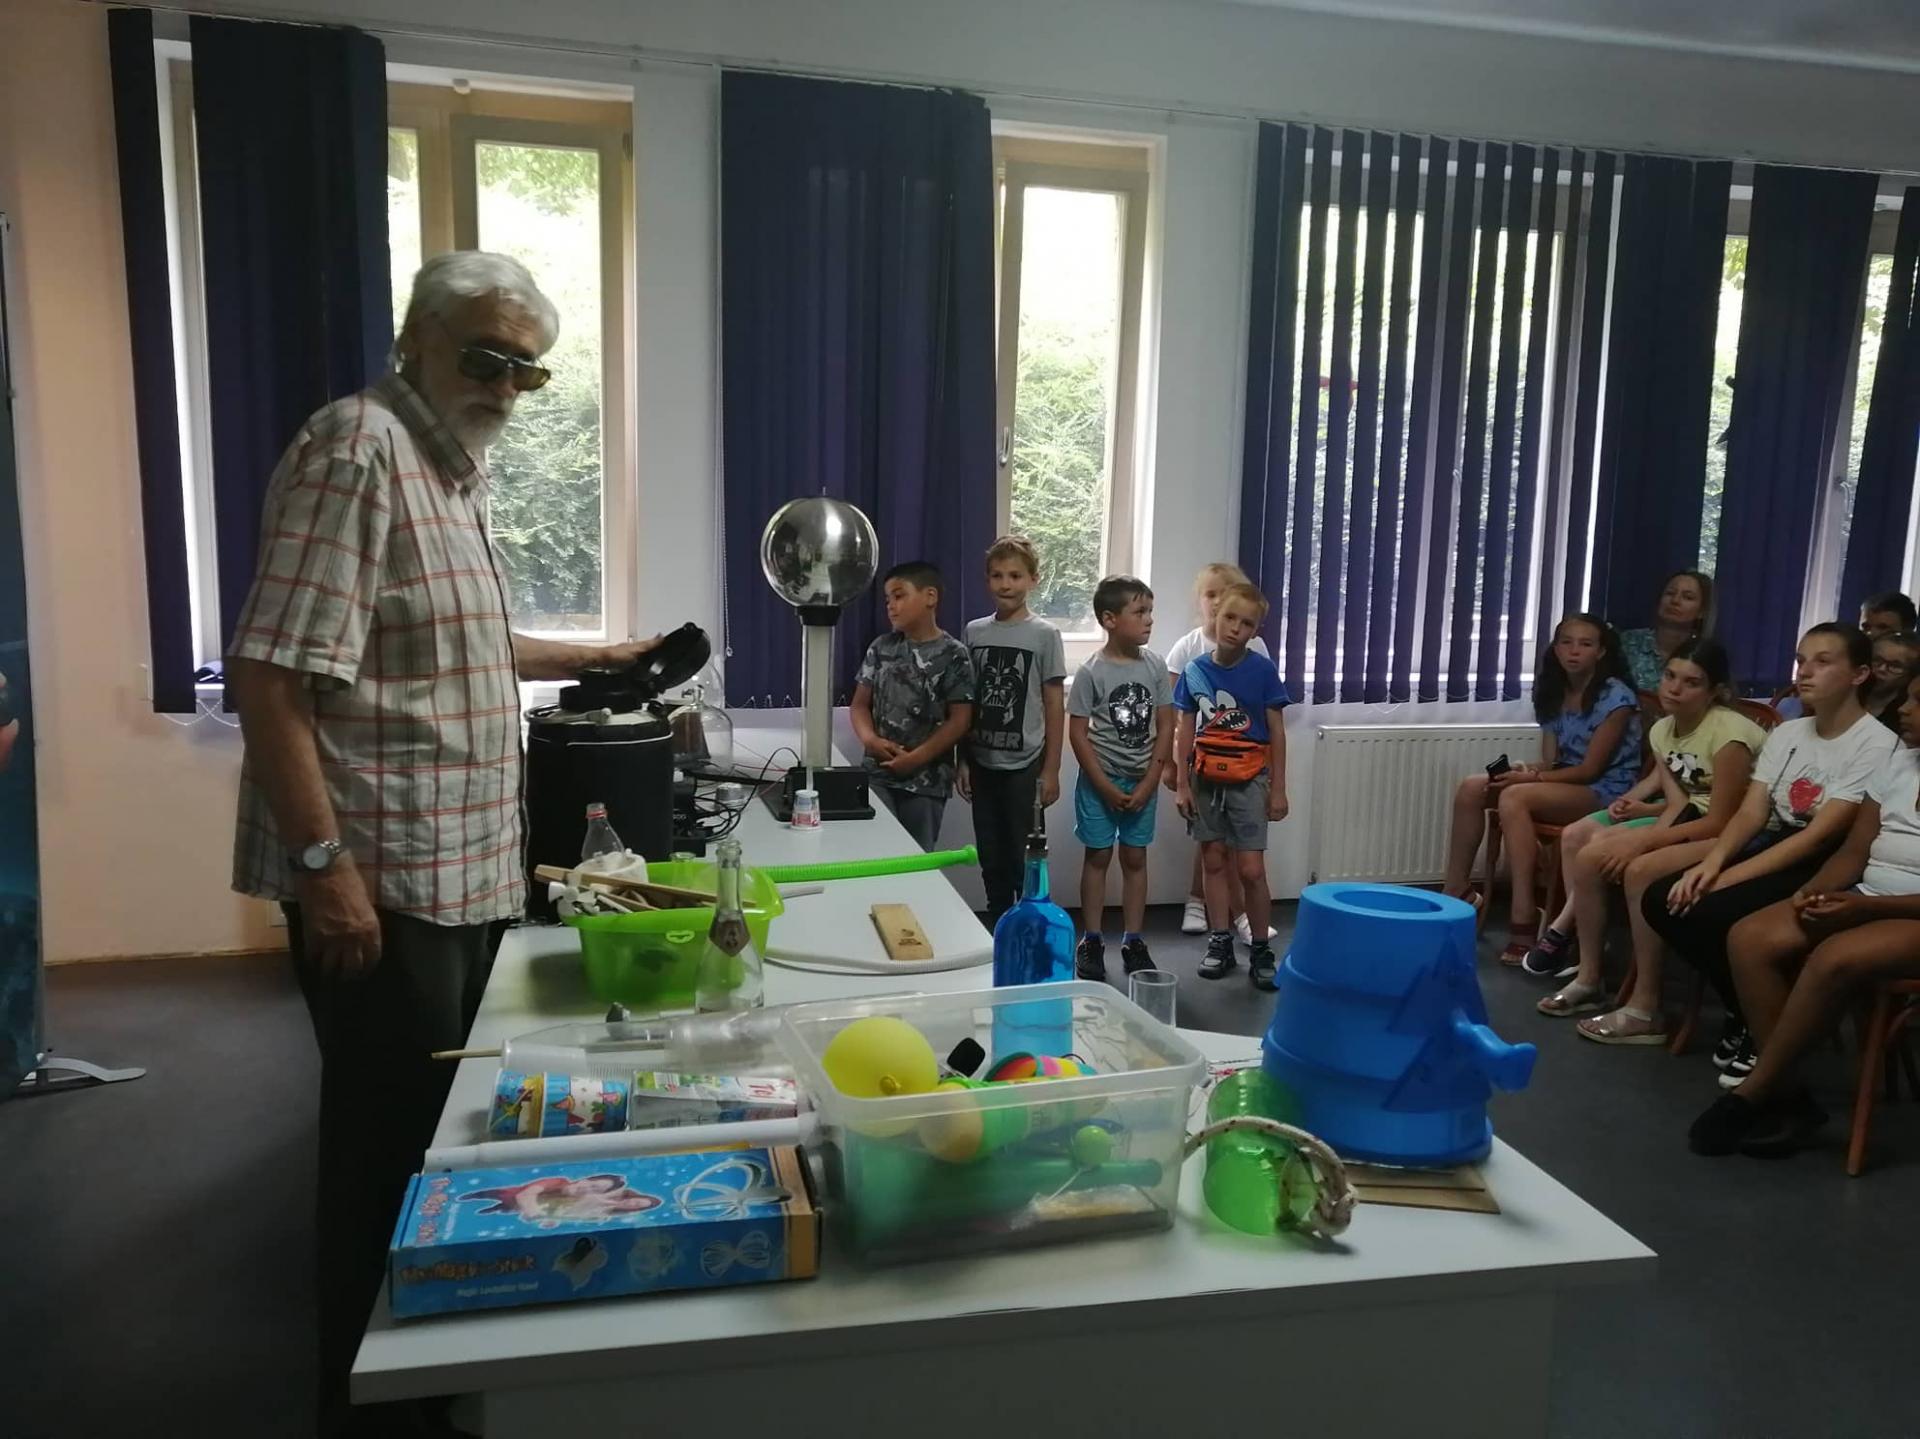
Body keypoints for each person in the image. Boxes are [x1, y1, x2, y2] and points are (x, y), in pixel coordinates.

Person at [226, 252, 663, 1438]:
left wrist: (597, 656)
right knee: (385, 1159)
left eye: (529, 370)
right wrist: (326, 872)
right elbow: (271, 676)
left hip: (460, 871)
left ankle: (437, 1384)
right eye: (486, 358)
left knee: (439, 1141)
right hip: (384, 880)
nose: (507, 387)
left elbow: (446, 637)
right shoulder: (356, 450)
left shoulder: (451, 472)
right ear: (416, 338)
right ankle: (367, 1407)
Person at [1640, 623, 1898, 1085]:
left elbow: (1819, 837)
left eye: (1823, 661)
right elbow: (1751, 813)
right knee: (1662, 898)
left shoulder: (1876, 742)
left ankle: (1764, 1031)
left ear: (1860, 674)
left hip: (1826, 860)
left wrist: (1726, 879)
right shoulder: (1790, 731)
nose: (1805, 672)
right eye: (1801, 660)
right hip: (1775, 841)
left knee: (1714, 907)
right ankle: (1744, 1010)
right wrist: (1712, 864)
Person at [1688, 670, 1920, 1156]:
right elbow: (1854, 852)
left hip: (1908, 912)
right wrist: (1813, 892)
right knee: (1749, 937)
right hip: (1868, 893)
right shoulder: (1900, 761)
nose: (1904, 708)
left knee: (1833, 957)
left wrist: (1864, 908)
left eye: (1918, 702)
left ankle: (1755, 1093)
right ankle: (1792, 1098)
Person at [1526, 640, 1764, 1029]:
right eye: (1670, 676)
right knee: (1589, 856)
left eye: (1691, 682)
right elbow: (1678, 803)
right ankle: (1589, 976)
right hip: (1691, 819)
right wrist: (1641, 833)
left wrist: (1643, 842)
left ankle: (1645, 1003)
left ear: (1714, 692)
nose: (1674, 688)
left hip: (1736, 832)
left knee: (1639, 867)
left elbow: (1721, 821)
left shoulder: (1729, 735)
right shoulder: (1663, 730)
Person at [1442, 614, 1641, 966]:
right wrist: (1525, 771)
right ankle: (1457, 892)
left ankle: (1524, 917)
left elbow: (1590, 770)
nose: (1574, 651)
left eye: (1585, 644)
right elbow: (1553, 761)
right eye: (1566, 642)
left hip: (1607, 789)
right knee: (1473, 787)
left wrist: (1530, 781)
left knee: (1515, 797)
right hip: (1565, 779)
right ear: (1555, 648)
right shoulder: (1553, 688)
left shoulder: (1616, 697)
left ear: (1600, 652)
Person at [1173, 580, 1291, 989]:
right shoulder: (1194, 670)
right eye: (1229, 618)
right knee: (1213, 860)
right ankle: (1220, 940)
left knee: (1251, 869)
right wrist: (1182, 785)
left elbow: (1277, 731)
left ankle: (1260, 946)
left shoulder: (1262, 671)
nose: (1235, 628)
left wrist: (1278, 787)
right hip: (1205, 779)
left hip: (1250, 778)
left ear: (1256, 630)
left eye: (1246, 623)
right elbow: (1184, 730)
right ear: (1215, 615)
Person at [1068, 575, 1174, 981]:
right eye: (1140, 612)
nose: (1149, 620)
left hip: (1142, 781)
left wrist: (1150, 781)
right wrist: (1103, 785)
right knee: (1098, 856)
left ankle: (1133, 939)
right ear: (1110, 619)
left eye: (1150, 611)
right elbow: (1078, 734)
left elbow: (1165, 725)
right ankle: (1092, 939)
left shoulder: (1155, 665)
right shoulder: (1091, 671)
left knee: (1134, 857)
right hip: (1100, 782)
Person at [957, 536, 1066, 928]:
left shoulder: (1045, 635)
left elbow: (1053, 703)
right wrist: (962, 760)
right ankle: (999, 923)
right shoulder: (974, 632)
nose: (1006, 584)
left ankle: (1031, 925)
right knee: (991, 853)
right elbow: (965, 700)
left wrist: (1051, 769)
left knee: (1026, 854)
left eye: (1015, 576)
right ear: (987, 579)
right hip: (982, 761)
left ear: (1033, 580)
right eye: (997, 575)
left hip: (1026, 764)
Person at [1164, 561, 1271, 941]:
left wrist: (1272, 776)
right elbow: (1175, 712)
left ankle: (1237, 915)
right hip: (1201, 761)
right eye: (1209, 594)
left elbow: (1265, 712)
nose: (1215, 602)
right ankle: (1201, 903)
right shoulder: (1188, 648)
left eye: (1222, 594)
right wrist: (1174, 767)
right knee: (1211, 843)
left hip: (1244, 763)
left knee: (1237, 847)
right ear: (1200, 600)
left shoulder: (1254, 648)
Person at [850, 561, 977, 852]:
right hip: (877, 775)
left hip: (926, 782)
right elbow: (859, 706)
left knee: (916, 857)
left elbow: (960, 720)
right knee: (873, 853)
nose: (891, 606)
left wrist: (916, 758)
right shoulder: (881, 647)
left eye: (899, 596)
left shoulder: (953, 654)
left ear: (930, 597)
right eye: (887, 600)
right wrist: (870, 740)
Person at [1616, 569, 1714, 692]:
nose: (1675, 601)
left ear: (1701, 611)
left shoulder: (1706, 655)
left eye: (1687, 597)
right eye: (1670, 593)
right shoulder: (1627, 642)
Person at [1864, 630, 1920, 732]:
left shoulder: (1905, 713)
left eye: (1895, 666)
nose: (1881, 669)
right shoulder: (1846, 694)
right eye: (1877, 660)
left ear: (1911, 674)